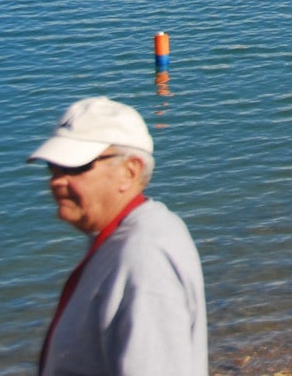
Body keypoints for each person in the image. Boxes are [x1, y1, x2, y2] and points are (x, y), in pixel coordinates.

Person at [28, 96, 207, 376]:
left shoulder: (144, 259)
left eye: (75, 167)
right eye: (54, 168)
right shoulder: (131, 237)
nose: (57, 181)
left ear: (129, 171)